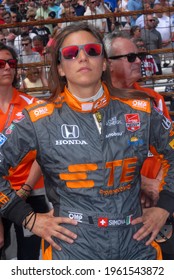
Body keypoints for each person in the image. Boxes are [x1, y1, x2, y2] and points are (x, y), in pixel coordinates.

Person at [0, 22, 174, 260]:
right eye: (71, 53)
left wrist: (165, 206)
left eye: (92, 50)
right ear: (60, 68)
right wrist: (29, 219)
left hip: (136, 245)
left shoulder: (141, 110)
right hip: (72, 249)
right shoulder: (38, 119)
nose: (82, 57)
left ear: (103, 63)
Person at [104, 32, 174, 259]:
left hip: (158, 204)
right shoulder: (96, 103)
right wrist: (142, 183)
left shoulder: (153, 99)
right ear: (108, 64)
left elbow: (170, 149)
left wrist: (158, 187)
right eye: (131, 57)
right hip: (117, 206)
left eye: (140, 56)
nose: (139, 62)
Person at [0, 43, 49, 260]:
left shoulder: (34, 105)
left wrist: (27, 188)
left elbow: (43, 153)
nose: (8, 68)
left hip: (32, 191)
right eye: (1, 64)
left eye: (11, 63)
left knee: (29, 257)